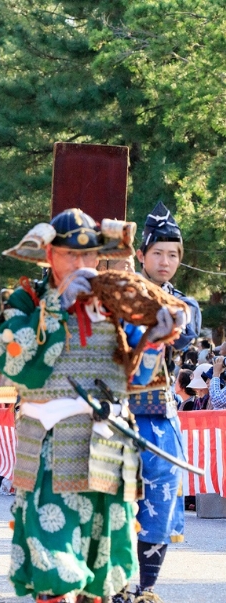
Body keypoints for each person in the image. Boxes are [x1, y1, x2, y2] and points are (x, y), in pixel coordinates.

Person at [0, 208, 185, 603]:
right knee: (53, 551)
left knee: (102, 560)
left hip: (107, 446)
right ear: (50, 255)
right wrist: (58, 306)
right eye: (70, 255)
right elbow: (14, 362)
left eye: (89, 256)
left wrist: (155, 338)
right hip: (53, 443)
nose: (82, 265)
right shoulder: (26, 298)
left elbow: (136, 378)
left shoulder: (114, 303)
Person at [112, 202, 201, 603]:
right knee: (110, 494)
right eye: (158, 253)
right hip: (111, 408)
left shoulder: (186, 305)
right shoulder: (114, 293)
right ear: (142, 256)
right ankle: (110, 582)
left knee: (161, 493)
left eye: (174, 255)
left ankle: (146, 587)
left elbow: (181, 331)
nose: (166, 262)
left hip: (157, 410)